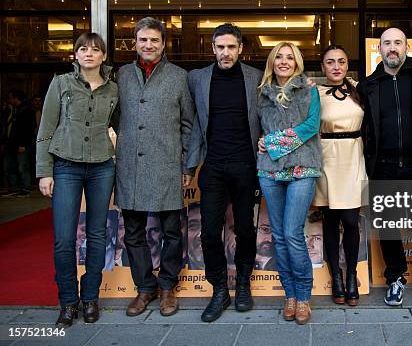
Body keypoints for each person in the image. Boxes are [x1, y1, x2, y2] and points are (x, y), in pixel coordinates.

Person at [36, 32, 117, 327]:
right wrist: (44, 171)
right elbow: (46, 129)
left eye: (95, 50)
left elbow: (120, 127)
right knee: (64, 239)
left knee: (97, 235)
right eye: (83, 49)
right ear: (75, 54)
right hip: (66, 166)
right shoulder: (60, 83)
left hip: (101, 167)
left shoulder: (113, 89)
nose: (89, 54)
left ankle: (90, 298)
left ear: (104, 56)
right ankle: (68, 302)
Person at [115, 17, 194, 318]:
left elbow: (188, 123)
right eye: (143, 40)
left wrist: (186, 162)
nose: (148, 45)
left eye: (154, 40)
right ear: (135, 42)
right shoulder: (121, 75)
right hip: (130, 167)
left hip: (167, 166)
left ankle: (167, 287)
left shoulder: (179, 77)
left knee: (171, 231)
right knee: (133, 232)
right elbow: (114, 117)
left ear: (163, 44)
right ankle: (144, 288)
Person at [357, 27, 412, 306]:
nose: (392, 48)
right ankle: (395, 277)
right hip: (383, 166)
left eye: (398, 43)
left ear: (407, 47)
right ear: (379, 49)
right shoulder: (368, 85)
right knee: (389, 226)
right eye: (387, 43)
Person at [184, 23, 262, 322]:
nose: (225, 53)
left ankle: (243, 285)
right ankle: (219, 290)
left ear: (240, 48)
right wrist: (189, 166)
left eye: (231, 47)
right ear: (213, 48)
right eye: (220, 47)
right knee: (208, 233)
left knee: (244, 229)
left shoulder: (255, 78)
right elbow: (193, 125)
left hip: (246, 166)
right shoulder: (198, 79)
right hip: (213, 166)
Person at [257, 41, 322, 325]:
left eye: (290, 58)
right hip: (269, 171)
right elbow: (254, 126)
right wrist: (260, 143)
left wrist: (271, 142)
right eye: (279, 57)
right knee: (280, 236)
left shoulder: (309, 89)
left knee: (293, 233)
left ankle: (304, 295)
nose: (284, 62)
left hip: (302, 168)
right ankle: (290, 296)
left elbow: (312, 126)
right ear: (272, 62)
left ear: (297, 62)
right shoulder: (261, 93)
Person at [312, 45, 366, 307]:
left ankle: (352, 274)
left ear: (347, 65)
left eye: (341, 62)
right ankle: (336, 277)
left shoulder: (359, 89)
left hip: (354, 157)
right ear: (323, 67)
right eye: (330, 62)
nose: (336, 66)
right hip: (327, 160)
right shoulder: (314, 92)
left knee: (351, 220)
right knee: (331, 220)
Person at [5, 89, 36, 197]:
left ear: (16, 98)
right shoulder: (13, 109)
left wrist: (23, 144)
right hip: (11, 143)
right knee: (11, 166)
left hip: (21, 144)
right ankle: (14, 187)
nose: (9, 100)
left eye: (10, 98)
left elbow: (28, 129)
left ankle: (25, 188)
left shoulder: (27, 110)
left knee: (22, 167)